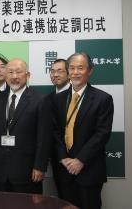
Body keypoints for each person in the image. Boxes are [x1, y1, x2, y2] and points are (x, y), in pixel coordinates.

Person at [46, 52, 114, 209]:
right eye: (72, 68)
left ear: (90, 70)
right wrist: (62, 157)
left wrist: (80, 160)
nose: (75, 72)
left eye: (80, 68)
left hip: (89, 169)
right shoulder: (58, 99)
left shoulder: (102, 99)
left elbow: (102, 134)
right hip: (63, 170)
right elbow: (54, 131)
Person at [0, 58, 50, 194]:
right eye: (10, 72)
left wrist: (39, 166)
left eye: (18, 72)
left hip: (27, 171)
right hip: (0, 169)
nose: (14, 76)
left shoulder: (40, 100)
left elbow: (44, 137)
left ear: (28, 75)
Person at [48, 58, 70, 197]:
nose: (55, 74)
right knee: (63, 199)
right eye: (52, 71)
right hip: (57, 160)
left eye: (60, 71)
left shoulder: (79, 96)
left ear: (69, 73)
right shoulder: (47, 99)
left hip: (82, 162)